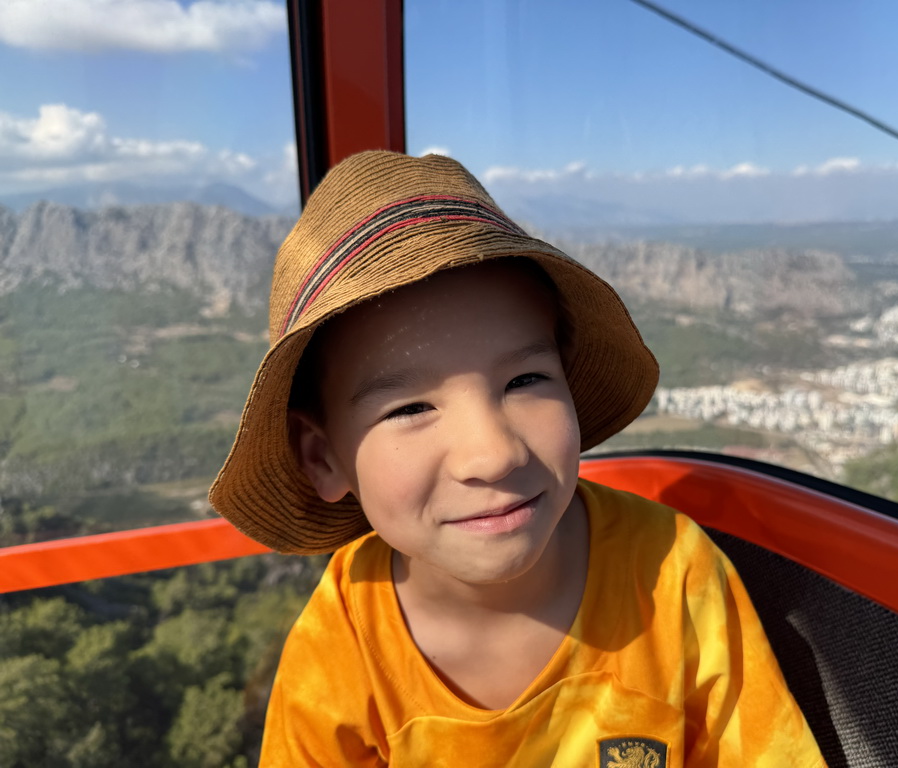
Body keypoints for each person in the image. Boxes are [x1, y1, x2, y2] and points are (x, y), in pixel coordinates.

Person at [210, 150, 826, 767]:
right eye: (408, 409)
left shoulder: (672, 576)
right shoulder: (342, 647)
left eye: (525, 380)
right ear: (323, 459)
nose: (493, 454)